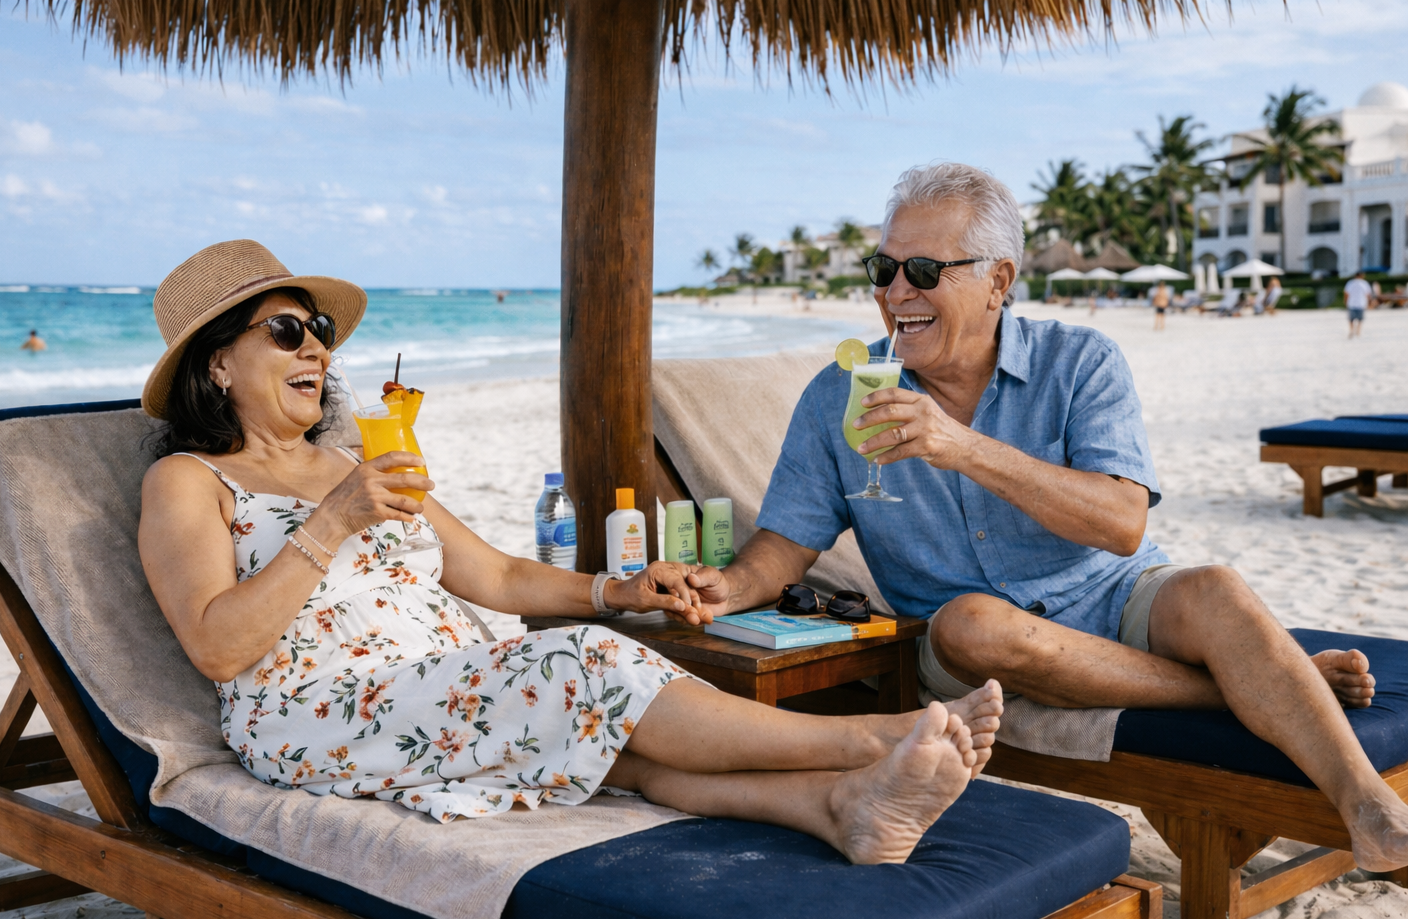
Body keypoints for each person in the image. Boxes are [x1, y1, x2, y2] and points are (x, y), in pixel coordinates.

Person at [137, 240, 1003, 864]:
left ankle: (838, 809)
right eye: (286, 332)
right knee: (581, 668)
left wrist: (622, 590)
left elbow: (496, 574)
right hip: (313, 713)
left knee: (615, 743)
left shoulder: (353, 461)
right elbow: (217, 644)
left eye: (319, 328)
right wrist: (330, 524)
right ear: (217, 367)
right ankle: (870, 741)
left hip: (441, 680)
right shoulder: (189, 480)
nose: (318, 348)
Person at [672, 162, 1408, 872]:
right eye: (883, 269)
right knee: (972, 622)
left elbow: (1123, 525)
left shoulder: (1080, 362)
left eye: (925, 272)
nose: (897, 292)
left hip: (1111, 592)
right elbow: (788, 542)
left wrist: (959, 446)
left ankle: (1371, 809)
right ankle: (1265, 681)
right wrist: (733, 587)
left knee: (1214, 587)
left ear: (998, 282)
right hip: (973, 641)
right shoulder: (839, 394)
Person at [1345, 271, 1372, 337]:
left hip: (1351, 303)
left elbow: (1346, 293)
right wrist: (1369, 302)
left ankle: (1351, 330)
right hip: (1361, 303)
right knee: (1360, 319)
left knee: (1351, 319)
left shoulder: (1350, 283)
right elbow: (1368, 294)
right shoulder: (1364, 283)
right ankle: (1358, 331)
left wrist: (1346, 301)